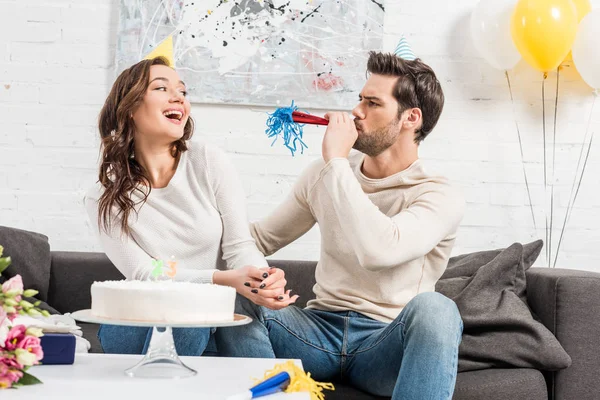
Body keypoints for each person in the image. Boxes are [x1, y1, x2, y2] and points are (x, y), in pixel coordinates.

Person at [216, 51, 465, 399]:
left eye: (373, 104)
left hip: (385, 344)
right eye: (360, 100)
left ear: (411, 118)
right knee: (238, 298)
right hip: (316, 332)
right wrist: (171, 259)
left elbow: (381, 250)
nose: (357, 112)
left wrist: (335, 161)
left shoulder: (438, 194)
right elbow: (257, 239)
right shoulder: (325, 174)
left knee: (438, 309)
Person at [84, 56, 297, 356]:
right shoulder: (103, 196)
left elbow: (239, 247)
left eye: (182, 92)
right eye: (161, 88)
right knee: (190, 305)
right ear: (130, 107)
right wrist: (218, 279)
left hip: (208, 313)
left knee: (201, 308)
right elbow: (145, 272)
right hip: (137, 321)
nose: (178, 98)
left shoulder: (208, 161)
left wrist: (262, 280)